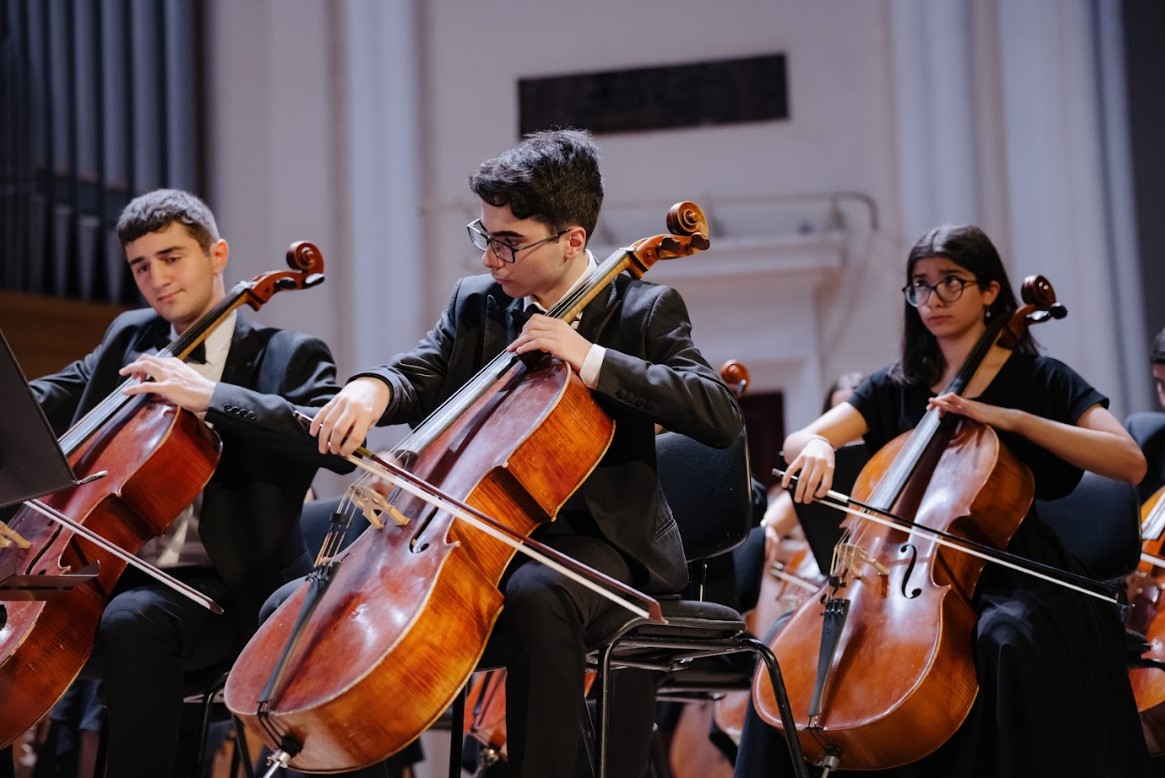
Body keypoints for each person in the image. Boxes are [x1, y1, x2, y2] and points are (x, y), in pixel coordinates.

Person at [304, 128, 743, 778]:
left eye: (508, 242)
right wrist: (372, 390)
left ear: (572, 240)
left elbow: (718, 413)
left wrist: (589, 357)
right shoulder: (477, 305)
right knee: (325, 607)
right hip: (488, 537)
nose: (490, 258)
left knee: (537, 596)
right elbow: (419, 370)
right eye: (484, 237)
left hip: (599, 547)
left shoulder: (643, 310)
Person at [734, 224, 1151, 777]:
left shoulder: (1041, 378)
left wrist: (1012, 418)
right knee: (783, 651)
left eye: (951, 282)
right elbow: (801, 439)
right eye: (921, 285)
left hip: (1014, 570)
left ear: (991, 291)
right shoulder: (898, 383)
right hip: (904, 574)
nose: (933, 299)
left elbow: (1128, 460)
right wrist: (814, 446)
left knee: (1003, 639)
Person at [20, 189, 343, 777]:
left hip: (230, 593)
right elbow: (49, 397)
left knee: (132, 621)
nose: (158, 278)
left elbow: (330, 441)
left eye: (172, 257)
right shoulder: (131, 338)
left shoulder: (287, 355)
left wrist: (211, 397)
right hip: (116, 574)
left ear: (217, 254)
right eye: (141, 266)